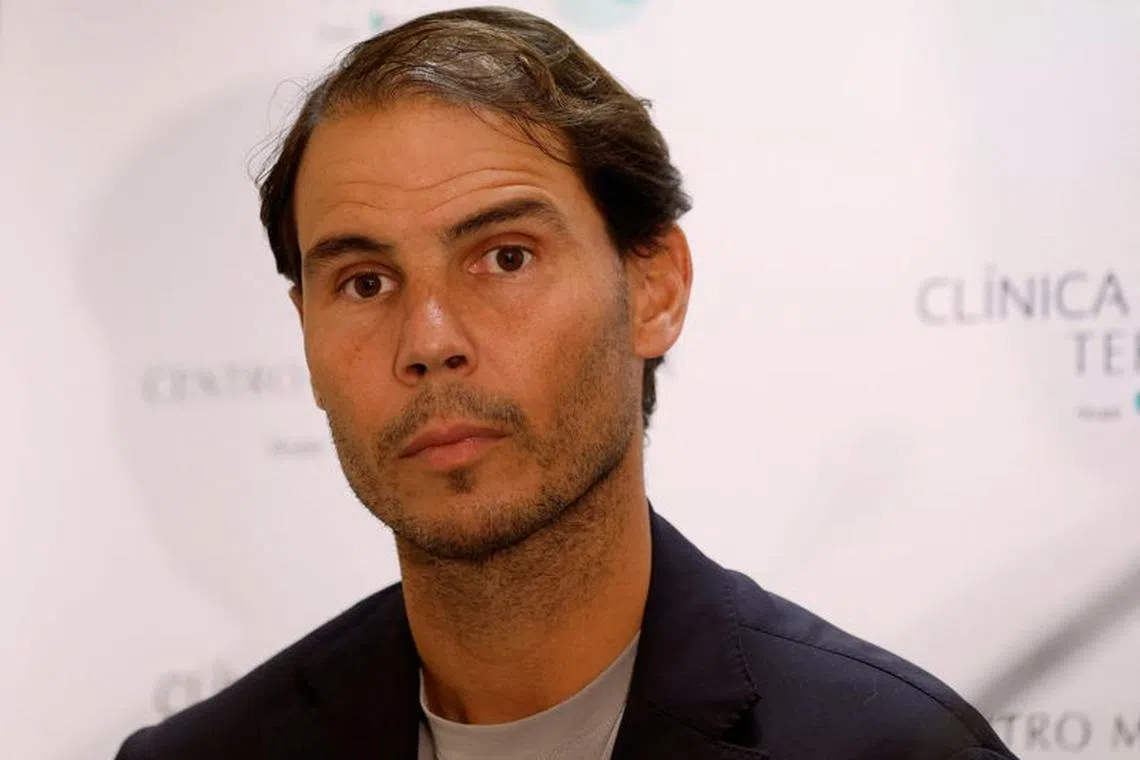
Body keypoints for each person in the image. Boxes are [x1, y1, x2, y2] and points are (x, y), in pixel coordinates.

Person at [115, 7, 1018, 759]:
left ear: (654, 290)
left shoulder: (895, 750)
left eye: (505, 257)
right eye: (365, 283)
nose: (429, 342)